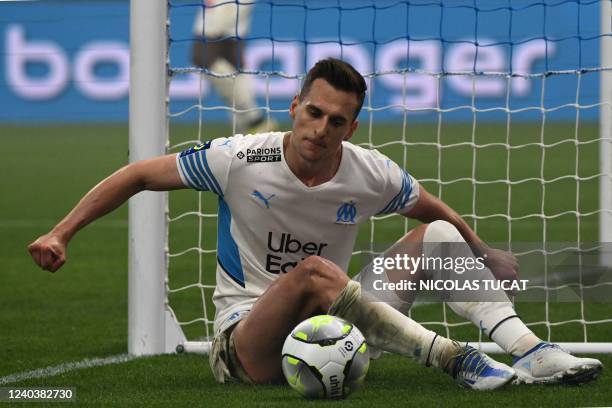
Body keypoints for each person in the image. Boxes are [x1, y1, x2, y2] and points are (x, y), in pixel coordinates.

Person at [28, 58, 602, 389]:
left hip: (338, 324)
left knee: (439, 238)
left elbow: (429, 208)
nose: (320, 129)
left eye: (337, 120)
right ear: (296, 104)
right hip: (246, 342)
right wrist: (62, 232)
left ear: (350, 128)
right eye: (313, 112)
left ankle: (529, 349)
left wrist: (484, 252)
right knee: (311, 271)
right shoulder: (237, 158)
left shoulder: (369, 172)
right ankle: (453, 357)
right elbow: (136, 175)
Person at [192, 0, 277, 134]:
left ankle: (254, 120)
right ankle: (252, 122)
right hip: (218, 31)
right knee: (232, 76)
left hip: (222, 31)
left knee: (223, 70)